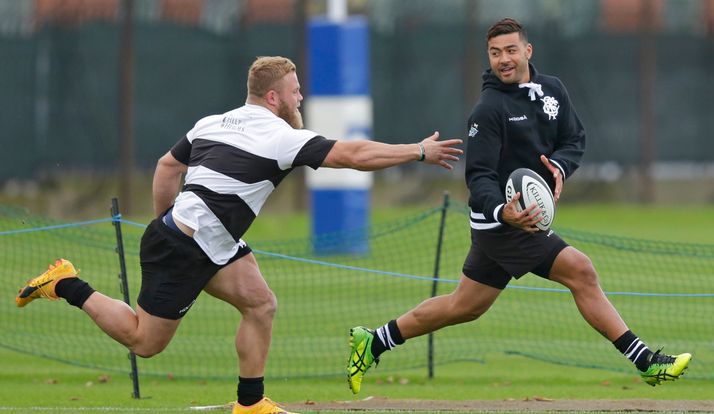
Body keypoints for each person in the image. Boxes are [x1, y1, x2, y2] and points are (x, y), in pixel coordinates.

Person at [15, 56, 463, 414]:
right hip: (186, 247)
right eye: (295, 90)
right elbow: (353, 154)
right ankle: (66, 282)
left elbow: (167, 166)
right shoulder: (281, 136)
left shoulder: (213, 122)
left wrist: (166, 218)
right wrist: (418, 151)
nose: (300, 96)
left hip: (212, 242)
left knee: (261, 303)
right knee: (144, 342)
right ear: (274, 97)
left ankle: (250, 403)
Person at [347, 18, 691, 395]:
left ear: (528, 51)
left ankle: (375, 340)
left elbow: (573, 138)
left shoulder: (551, 89)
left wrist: (559, 166)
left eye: (511, 50)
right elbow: (478, 177)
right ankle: (646, 363)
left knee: (465, 305)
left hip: (520, 220)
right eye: (495, 53)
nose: (503, 60)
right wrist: (502, 212)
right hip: (503, 224)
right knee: (581, 270)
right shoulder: (488, 110)